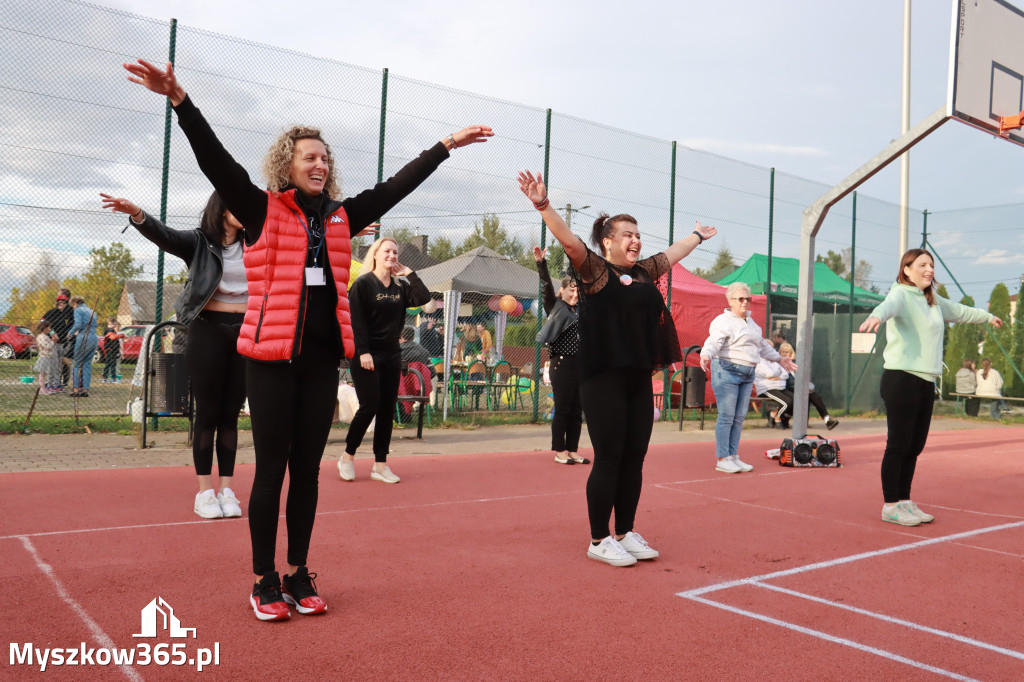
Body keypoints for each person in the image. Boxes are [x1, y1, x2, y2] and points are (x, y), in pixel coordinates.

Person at [124, 57, 491, 621]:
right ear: (287, 164)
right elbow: (214, 160)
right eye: (309, 156)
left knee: (308, 469)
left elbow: (395, 187)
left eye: (325, 158)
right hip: (270, 363)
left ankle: (297, 572)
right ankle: (263, 579)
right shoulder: (259, 208)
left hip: (322, 365)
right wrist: (180, 101)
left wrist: (445, 146)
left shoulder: (344, 217)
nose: (320, 164)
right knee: (271, 469)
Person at [518, 169, 716, 568]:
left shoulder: (643, 272)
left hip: (637, 379)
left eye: (638, 234)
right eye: (627, 234)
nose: (635, 240)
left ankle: (624, 531)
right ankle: (598, 539)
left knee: (635, 458)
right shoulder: (594, 271)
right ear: (608, 241)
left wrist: (696, 236)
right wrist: (542, 204)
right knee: (609, 458)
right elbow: (568, 240)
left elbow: (672, 254)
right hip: (602, 378)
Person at [100, 191, 249, 522]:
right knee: (208, 412)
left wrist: (341, 228)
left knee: (230, 414)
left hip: (244, 332)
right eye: (237, 204)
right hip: (207, 330)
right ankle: (204, 492)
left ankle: (227, 489)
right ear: (221, 209)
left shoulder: (257, 243)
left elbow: (297, 243)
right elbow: (164, 236)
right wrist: (138, 213)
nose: (245, 210)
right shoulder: (199, 243)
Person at [860, 248, 1000, 527]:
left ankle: (904, 501)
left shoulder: (933, 300)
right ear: (907, 269)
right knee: (898, 444)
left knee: (915, 446)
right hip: (901, 379)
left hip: (926, 381)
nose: (929, 269)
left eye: (932, 265)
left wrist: (987, 316)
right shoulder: (900, 293)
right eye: (923, 264)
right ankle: (890, 505)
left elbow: (960, 311)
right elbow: (887, 306)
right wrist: (877, 315)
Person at [339, 237, 431, 484]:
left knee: (387, 409)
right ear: (376, 254)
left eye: (395, 252)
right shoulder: (363, 284)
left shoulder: (400, 287)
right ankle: (347, 456)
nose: (392, 255)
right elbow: (355, 321)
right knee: (369, 406)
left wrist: (410, 273)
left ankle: (380, 464)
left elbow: (423, 297)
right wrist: (363, 352)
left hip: (392, 355)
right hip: (366, 354)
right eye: (387, 251)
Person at [700, 283, 796, 474]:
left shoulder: (751, 323)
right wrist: (705, 354)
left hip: (748, 373)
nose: (745, 302)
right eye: (741, 299)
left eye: (748, 299)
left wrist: (779, 359)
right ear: (730, 301)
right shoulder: (723, 321)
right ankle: (722, 458)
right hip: (727, 370)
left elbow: (762, 345)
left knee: (738, 418)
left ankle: (733, 456)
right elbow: (713, 341)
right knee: (727, 417)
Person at [534, 246, 587, 465]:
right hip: (561, 364)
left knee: (577, 410)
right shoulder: (555, 306)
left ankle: (573, 449)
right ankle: (560, 451)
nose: (575, 295)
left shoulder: (581, 309)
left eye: (577, 291)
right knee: (563, 408)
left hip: (580, 366)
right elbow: (546, 286)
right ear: (562, 292)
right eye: (571, 291)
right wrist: (541, 264)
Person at [778, 342, 839, 430]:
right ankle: (786, 417)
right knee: (802, 395)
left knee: (815, 397)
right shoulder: (779, 364)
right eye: (782, 352)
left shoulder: (795, 364)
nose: (784, 354)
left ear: (791, 353)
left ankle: (827, 420)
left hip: (800, 387)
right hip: (787, 388)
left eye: (787, 352)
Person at [42, 289, 74, 389]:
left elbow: (72, 325)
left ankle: (56, 384)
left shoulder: (68, 313)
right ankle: (51, 384)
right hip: (52, 342)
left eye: (64, 303)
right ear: (57, 303)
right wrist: (51, 333)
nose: (61, 304)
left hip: (62, 342)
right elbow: (42, 321)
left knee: (59, 365)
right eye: (59, 302)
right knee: (53, 364)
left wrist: (69, 335)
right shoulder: (52, 312)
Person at [67, 296, 98, 397]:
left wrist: (70, 333)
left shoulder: (78, 310)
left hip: (84, 338)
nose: (73, 308)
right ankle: (85, 389)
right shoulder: (92, 311)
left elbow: (78, 324)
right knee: (87, 364)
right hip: (94, 338)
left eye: (72, 306)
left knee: (76, 363)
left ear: (75, 303)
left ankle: (75, 388)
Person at [754, 355, 791, 429]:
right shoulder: (759, 362)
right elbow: (769, 374)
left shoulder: (775, 362)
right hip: (766, 388)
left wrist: (778, 377)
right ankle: (778, 419)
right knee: (787, 402)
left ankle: (773, 414)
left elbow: (786, 374)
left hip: (780, 387)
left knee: (796, 400)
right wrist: (778, 372)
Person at [33, 320, 60, 394]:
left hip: (48, 357)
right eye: (49, 327)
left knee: (45, 374)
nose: (50, 329)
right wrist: (53, 341)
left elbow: (56, 338)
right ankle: (42, 388)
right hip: (44, 357)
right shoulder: (41, 337)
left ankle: (44, 388)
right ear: (44, 328)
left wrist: (53, 335)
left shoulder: (45, 336)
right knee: (42, 374)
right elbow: (48, 347)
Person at [101, 317, 124, 383]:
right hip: (111, 349)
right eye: (115, 323)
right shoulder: (110, 330)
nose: (116, 325)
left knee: (108, 363)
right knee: (113, 363)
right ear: (112, 323)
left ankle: (105, 378)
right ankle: (113, 379)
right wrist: (121, 335)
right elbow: (113, 337)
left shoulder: (109, 330)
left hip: (110, 349)